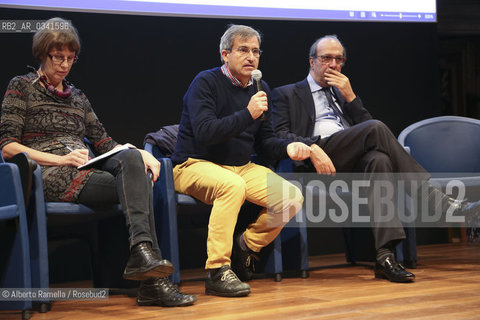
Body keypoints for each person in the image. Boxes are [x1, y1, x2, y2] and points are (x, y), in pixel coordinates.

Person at [0, 17, 196, 307]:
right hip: (48, 173)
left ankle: (142, 255)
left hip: (84, 168)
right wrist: (60, 159)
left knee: (132, 160)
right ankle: (152, 279)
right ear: (43, 54)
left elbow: (105, 143)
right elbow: (7, 147)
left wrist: (141, 152)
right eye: (58, 57)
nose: (64, 65)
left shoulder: (78, 97)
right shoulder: (21, 87)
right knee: (138, 184)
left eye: (70, 58)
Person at [271, 35, 480, 283]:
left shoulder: (342, 95)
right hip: (313, 163)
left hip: (349, 162)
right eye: (326, 58)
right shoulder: (286, 94)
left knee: (379, 159)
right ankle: (440, 204)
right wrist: (313, 147)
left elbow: (366, 130)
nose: (333, 64)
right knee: (377, 128)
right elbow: (280, 136)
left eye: (339, 60)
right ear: (312, 61)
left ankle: (385, 256)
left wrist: (350, 98)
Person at [171, 24, 311, 297]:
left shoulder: (260, 88)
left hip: (241, 166)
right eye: (243, 50)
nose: (251, 57)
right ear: (225, 54)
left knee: (291, 196)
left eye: (256, 51)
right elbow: (205, 132)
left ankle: (247, 245)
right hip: (193, 164)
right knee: (232, 185)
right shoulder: (205, 82)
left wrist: (289, 148)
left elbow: (265, 142)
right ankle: (217, 271)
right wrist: (248, 113)